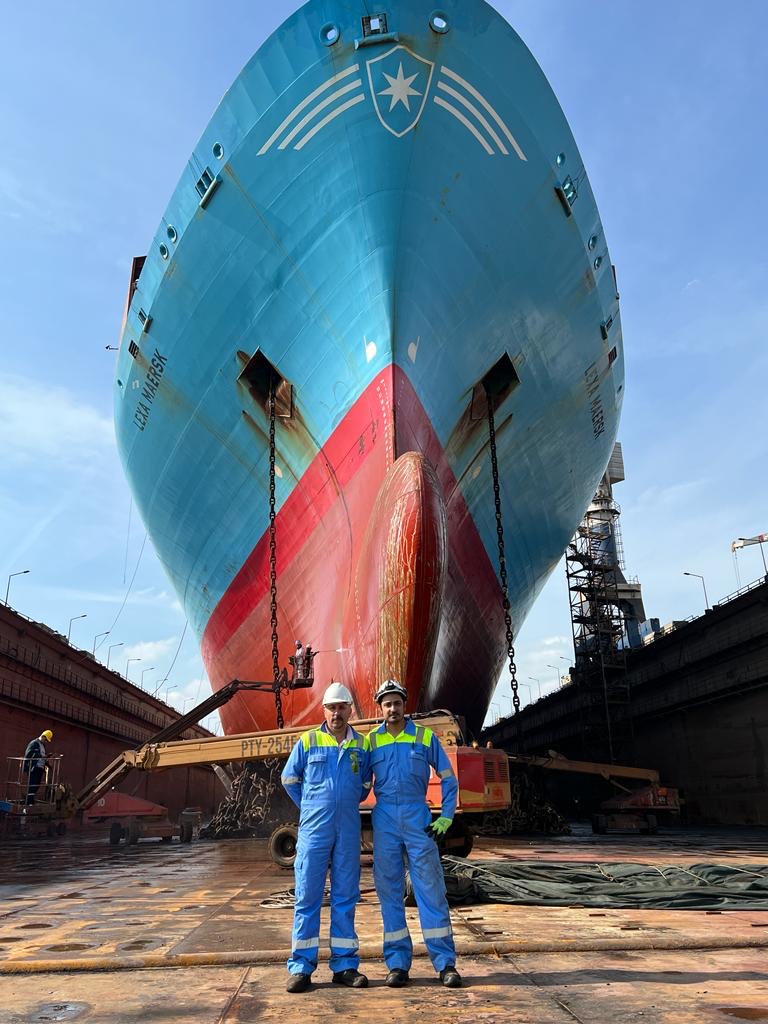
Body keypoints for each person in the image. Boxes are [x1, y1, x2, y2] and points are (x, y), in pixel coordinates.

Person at [366, 680, 462, 988]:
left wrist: (446, 817)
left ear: (405, 705)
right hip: (384, 821)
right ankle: (397, 964)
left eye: (397, 703)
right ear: (380, 707)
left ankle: (445, 964)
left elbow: (449, 778)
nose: (392, 709)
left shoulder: (424, 737)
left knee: (431, 892)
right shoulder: (370, 741)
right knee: (390, 894)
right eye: (387, 704)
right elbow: (358, 782)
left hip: (418, 818)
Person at [281, 682, 371, 993]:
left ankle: (345, 965)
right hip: (314, 831)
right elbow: (289, 779)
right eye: (331, 707)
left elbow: (365, 786)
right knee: (308, 897)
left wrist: (341, 801)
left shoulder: (361, 745)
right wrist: (310, 803)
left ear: (350, 710)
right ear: (324, 710)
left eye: (342, 707)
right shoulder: (308, 741)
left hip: (346, 830)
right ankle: (301, 967)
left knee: (346, 897)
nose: (337, 712)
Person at [23, 729, 53, 805]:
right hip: (33, 768)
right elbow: (29, 754)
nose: (46, 742)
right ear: (43, 737)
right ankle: (29, 802)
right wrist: (43, 756)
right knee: (32, 785)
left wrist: (47, 763)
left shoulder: (42, 746)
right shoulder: (34, 743)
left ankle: (31, 800)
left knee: (36, 785)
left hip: (39, 768)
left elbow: (42, 757)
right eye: (46, 740)